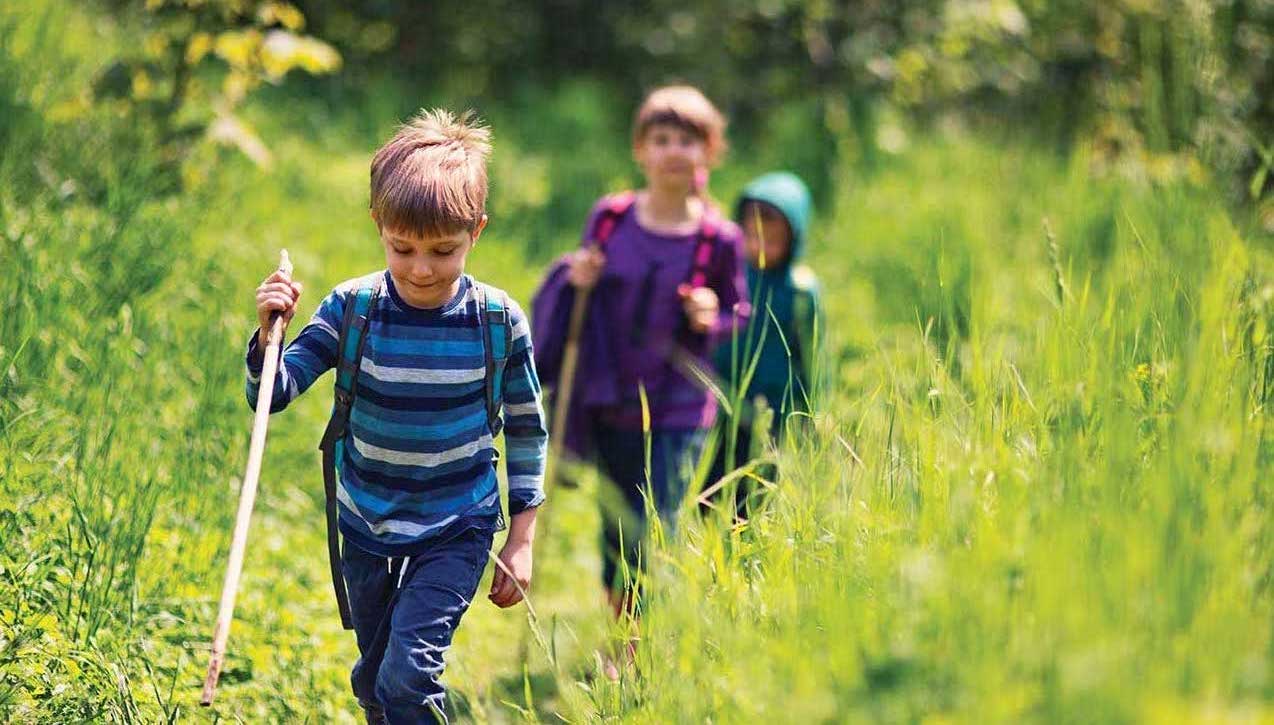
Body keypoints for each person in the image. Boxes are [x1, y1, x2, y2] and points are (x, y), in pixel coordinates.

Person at [246, 109, 547, 723]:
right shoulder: (353, 309)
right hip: (365, 519)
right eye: (402, 247)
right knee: (376, 677)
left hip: (457, 522)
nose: (421, 269)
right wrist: (267, 335)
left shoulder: (497, 322)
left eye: (444, 250)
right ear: (379, 225)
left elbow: (525, 426)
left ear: (477, 233)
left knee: (409, 676)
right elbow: (272, 394)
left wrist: (521, 539)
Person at [531, 86, 748, 625]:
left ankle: (637, 643)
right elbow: (578, 290)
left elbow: (736, 314)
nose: (675, 150)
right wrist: (577, 279)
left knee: (657, 521)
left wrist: (711, 313)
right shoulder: (611, 218)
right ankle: (620, 625)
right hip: (610, 398)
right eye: (662, 138)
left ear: (710, 152)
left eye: (688, 140)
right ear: (641, 150)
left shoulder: (718, 238)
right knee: (616, 524)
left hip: (679, 405)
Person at [708, 172, 823, 518]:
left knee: (756, 496)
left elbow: (813, 356)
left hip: (773, 410)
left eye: (773, 241)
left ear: (794, 241)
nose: (760, 248)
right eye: (752, 237)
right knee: (709, 488)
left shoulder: (800, 291)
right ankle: (709, 557)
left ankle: (745, 556)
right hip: (720, 400)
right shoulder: (728, 276)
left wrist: (811, 411)